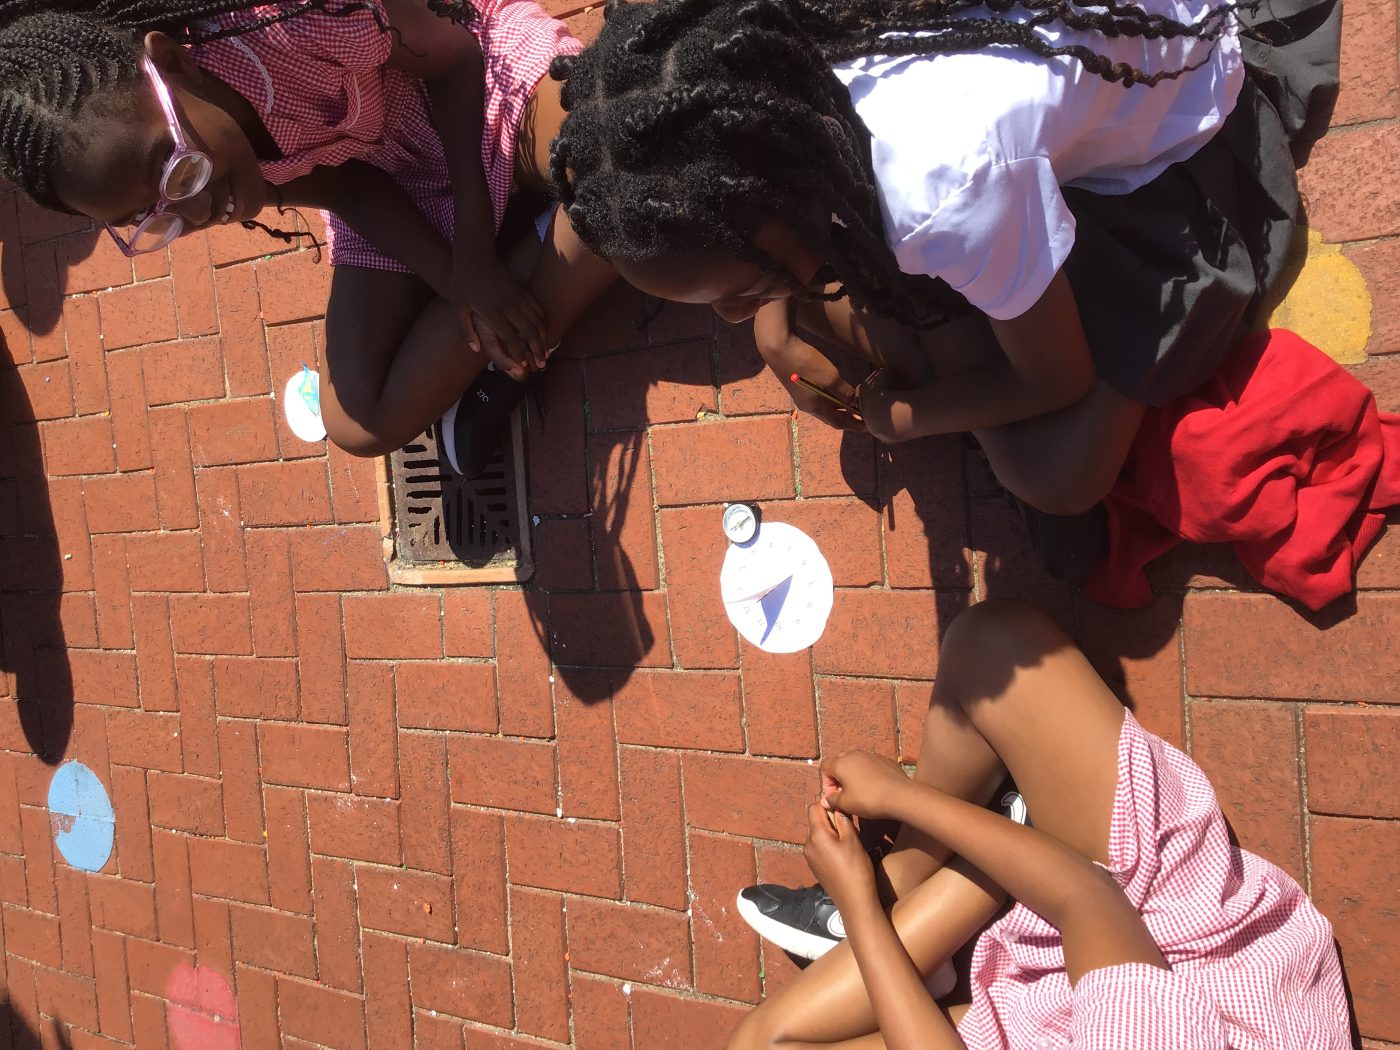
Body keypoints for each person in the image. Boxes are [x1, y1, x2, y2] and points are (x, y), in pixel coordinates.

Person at [548, 0, 1339, 571]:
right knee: (862, 298)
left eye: (736, 291)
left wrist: (903, 417)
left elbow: (1057, 379)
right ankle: (956, 330)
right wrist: (774, 316)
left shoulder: (937, 188)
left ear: (780, 190)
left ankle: (996, 344)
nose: (729, 318)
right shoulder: (765, 51)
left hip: (1187, 138)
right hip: (1075, 92)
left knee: (1050, 477)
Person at [0, 0, 615, 466]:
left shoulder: (295, 18)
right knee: (359, 421)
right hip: (399, 170)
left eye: (176, 166)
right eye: (148, 219)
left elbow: (455, 61)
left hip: (479, 88)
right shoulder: (210, 161)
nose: (197, 209)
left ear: (171, 65)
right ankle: (560, 245)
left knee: (608, 151)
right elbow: (349, 189)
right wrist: (461, 286)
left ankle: (536, 311)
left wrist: (475, 255)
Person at [727, 601, 1351, 1050]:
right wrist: (900, 798)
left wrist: (862, 905)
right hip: (1181, 956)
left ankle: (920, 894)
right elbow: (1088, 895)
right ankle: (973, 861)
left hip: (1063, 1015)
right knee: (992, 649)